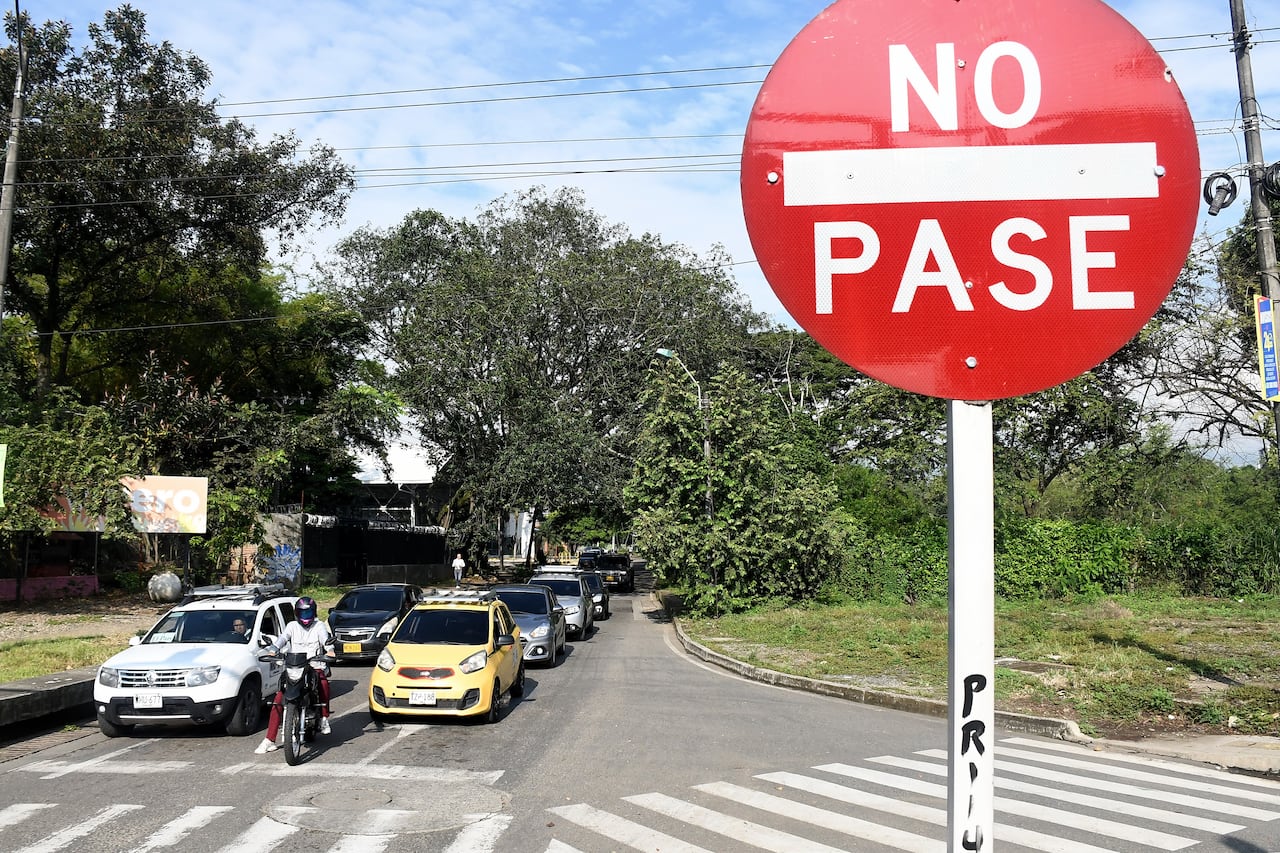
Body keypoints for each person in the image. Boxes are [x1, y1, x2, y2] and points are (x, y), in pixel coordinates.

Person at [254, 597, 335, 754]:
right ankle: (269, 739)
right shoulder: (291, 626)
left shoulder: (318, 626)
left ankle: (324, 718)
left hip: (313, 665)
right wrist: (274, 649)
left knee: (323, 683)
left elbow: (326, 640)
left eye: (309, 611)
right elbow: (282, 639)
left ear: (314, 612)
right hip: (294, 666)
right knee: (279, 699)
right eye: (303, 612)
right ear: (297, 613)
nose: (306, 615)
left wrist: (330, 650)